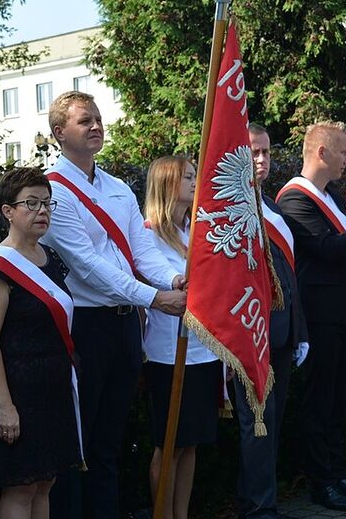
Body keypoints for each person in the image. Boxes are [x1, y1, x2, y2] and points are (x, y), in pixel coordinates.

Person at [40, 91, 187, 518]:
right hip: (86, 326)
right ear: (59, 133)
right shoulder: (53, 190)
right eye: (84, 120)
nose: (96, 126)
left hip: (125, 326)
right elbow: (86, 266)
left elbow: (142, 252)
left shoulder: (118, 187)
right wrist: (155, 297)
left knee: (108, 443)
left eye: (98, 118)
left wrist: (174, 278)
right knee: (80, 443)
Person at [277, 121, 346, 512]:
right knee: (319, 399)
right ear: (321, 152)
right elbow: (328, 249)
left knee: (339, 399)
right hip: (319, 315)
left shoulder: (332, 197)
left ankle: (339, 473)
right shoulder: (295, 199)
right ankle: (321, 479)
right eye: (343, 152)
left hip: (344, 315)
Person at [0, 167, 83, 519]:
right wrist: (4, 405)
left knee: (45, 483)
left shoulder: (50, 259)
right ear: (8, 211)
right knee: (21, 487)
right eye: (31, 203)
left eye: (47, 204)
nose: (42, 211)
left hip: (53, 387)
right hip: (18, 392)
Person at [233, 123, 309, 519]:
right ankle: (258, 507)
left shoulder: (273, 209)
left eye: (265, 152)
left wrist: (300, 332)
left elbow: (289, 278)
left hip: (281, 333)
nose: (261, 161)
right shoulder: (226, 211)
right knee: (256, 424)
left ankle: (262, 500)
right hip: (249, 335)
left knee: (272, 423)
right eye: (252, 153)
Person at [142, 156, 219, 519]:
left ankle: (181, 514)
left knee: (191, 444)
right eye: (188, 176)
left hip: (203, 350)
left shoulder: (197, 230)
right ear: (169, 183)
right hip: (167, 352)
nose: (195, 182)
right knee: (168, 442)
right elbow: (159, 276)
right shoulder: (148, 233)